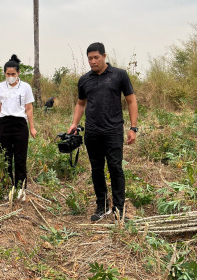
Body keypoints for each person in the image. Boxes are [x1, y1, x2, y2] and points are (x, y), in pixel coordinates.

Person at [68, 42, 138, 222]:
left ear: (104, 56)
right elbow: (80, 103)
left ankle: (119, 210)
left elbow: (131, 100)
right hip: (92, 132)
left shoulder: (119, 75)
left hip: (113, 131)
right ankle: (102, 206)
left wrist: (133, 127)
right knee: (96, 169)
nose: (92, 61)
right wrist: (74, 123)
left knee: (116, 168)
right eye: (90, 58)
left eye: (96, 57)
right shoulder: (84, 80)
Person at [0, 55, 37, 201]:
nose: (10, 77)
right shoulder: (0, 87)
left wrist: (32, 127)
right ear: (4, 73)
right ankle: (7, 188)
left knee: (20, 158)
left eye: (13, 74)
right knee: (5, 158)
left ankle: (21, 189)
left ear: (18, 73)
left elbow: (29, 108)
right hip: (4, 124)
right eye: (8, 74)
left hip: (20, 124)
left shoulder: (25, 87)